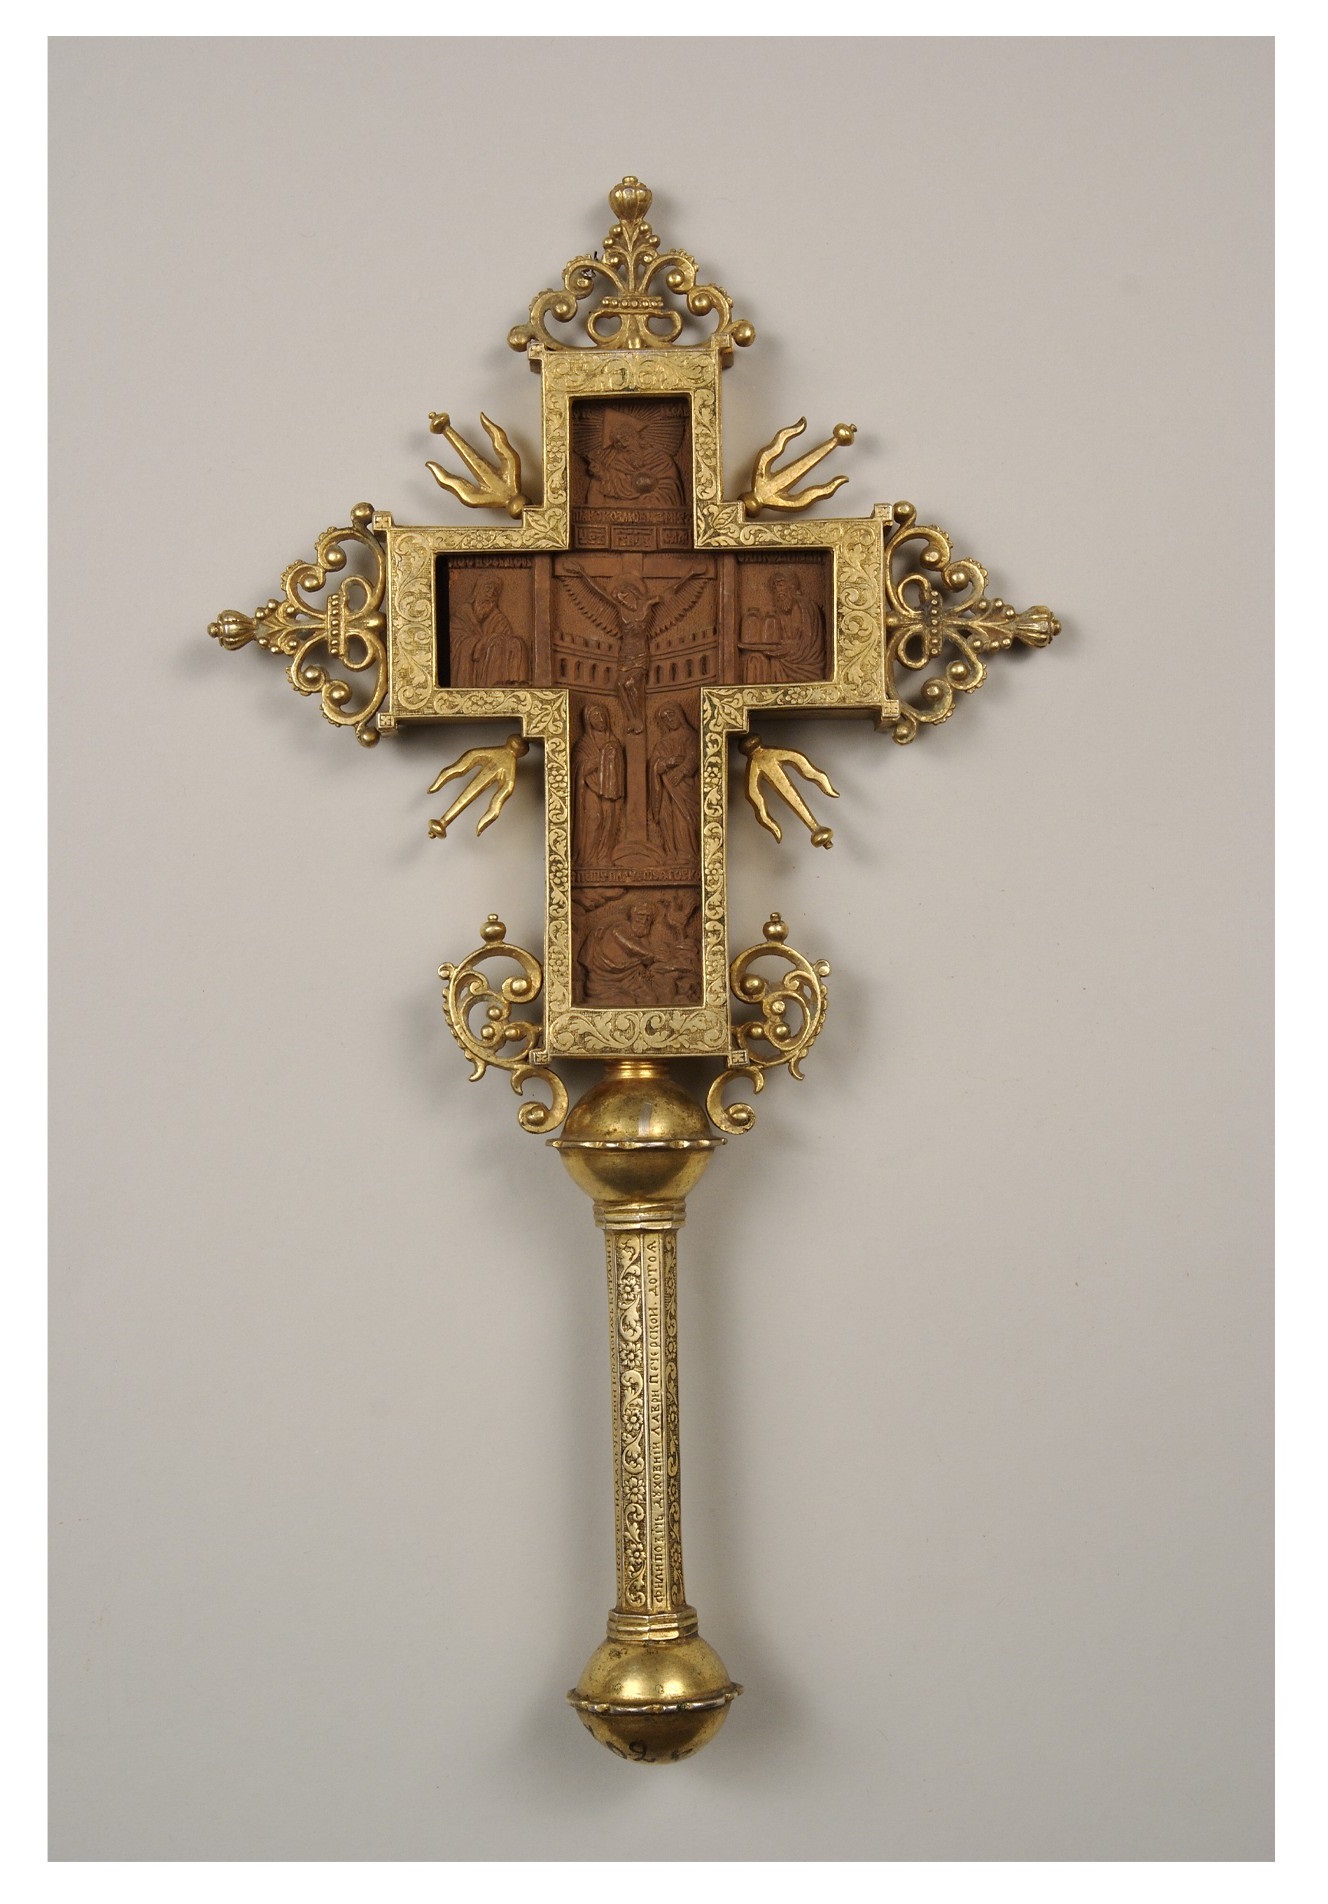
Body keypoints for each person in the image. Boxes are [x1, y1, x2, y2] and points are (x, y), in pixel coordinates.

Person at [573, 702, 625, 864]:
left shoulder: (614, 741)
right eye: (595, 716)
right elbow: (579, 767)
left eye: (602, 715)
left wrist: (612, 755)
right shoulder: (584, 744)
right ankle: (588, 859)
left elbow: (620, 768)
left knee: (610, 821)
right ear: (588, 721)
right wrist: (601, 758)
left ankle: (603, 858)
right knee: (594, 819)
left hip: (609, 789)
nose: (600, 719)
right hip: (590, 788)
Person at [452, 576, 527, 686]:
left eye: (495, 592)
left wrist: (492, 642)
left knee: (516, 643)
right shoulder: (462, 613)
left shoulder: (499, 620)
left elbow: (507, 645)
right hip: (469, 670)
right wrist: (477, 644)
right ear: (478, 591)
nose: (491, 594)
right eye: (487, 589)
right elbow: (453, 642)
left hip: (492, 673)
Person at [649, 701, 699, 861]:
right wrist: (666, 763)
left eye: (671, 714)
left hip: (685, 787)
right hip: (666, 789)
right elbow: (655, 765)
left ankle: (686, 853)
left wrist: (681, 771)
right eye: (665, 718)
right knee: (667, 818)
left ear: (679, 715)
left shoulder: (691, 736)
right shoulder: (662, 742)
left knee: (682, 818)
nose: (669, 719)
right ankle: (671, 853)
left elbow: (695, 758)